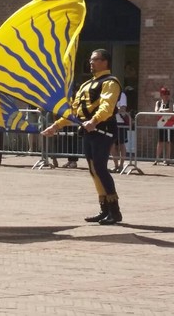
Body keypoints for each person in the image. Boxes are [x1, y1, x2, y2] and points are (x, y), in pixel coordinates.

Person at [42, 49, 123, 225]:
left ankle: (115, 211)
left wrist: (94, 121)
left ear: (105, 62)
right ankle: (104, 208)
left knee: (101, 168)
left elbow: (106, 107)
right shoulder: (86, 85)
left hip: (103, 129)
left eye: (95, 60)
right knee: (94, 169)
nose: (91, 63)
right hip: (88, 131)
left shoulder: (111, 82)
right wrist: (55, 126)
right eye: (91, 59)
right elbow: (74, 112)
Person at [153, 86, 173, 165]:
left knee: (168, 142)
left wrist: (161, 111)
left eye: (167, 94)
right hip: (161, 124)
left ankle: (167, 159)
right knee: (160, 141)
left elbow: (171, 110)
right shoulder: (158, 103)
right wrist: (162, 111)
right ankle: (157, 158)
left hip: (169, 124)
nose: (166, 96)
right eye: (165, 94)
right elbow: (156, 111)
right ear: (161, 95)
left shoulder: (170, 102)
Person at [110, 90, 128, 173]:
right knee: (111, 145)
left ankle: (121, 165)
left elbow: (123, 109)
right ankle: (116, 165)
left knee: (121, 144)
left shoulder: (122, 95)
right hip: (111, 122)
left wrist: (113, 109)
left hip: (120, 122)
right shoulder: (108, 94)